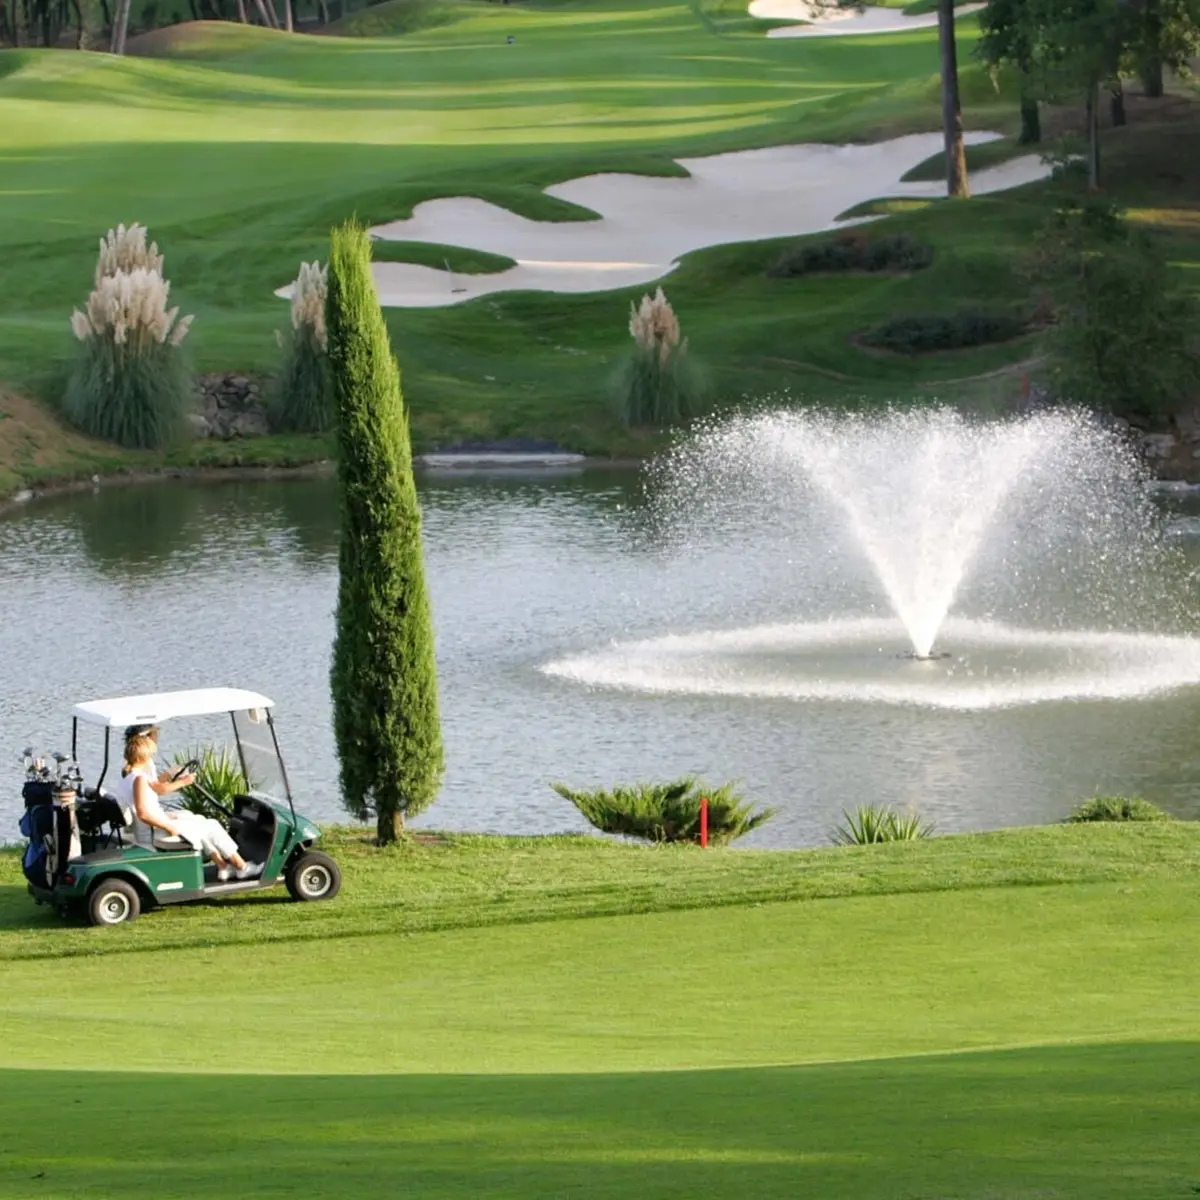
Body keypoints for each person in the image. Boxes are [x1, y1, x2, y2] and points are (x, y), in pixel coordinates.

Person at [116, 725, 261, 882]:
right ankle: (242, 867)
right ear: (144, 757)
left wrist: (171, 776)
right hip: (155, 833)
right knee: (211, 825)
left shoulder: (128, 778)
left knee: (199, 822)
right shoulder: (139, 779)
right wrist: (169, 826)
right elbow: (143, 812)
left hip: (152, 829)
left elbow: (150, 798)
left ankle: (223, 866)